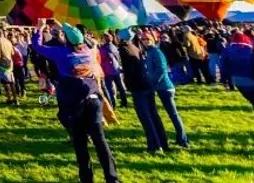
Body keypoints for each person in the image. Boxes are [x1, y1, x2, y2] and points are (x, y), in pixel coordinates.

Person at [31, 21, 120, 183]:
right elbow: (83, 40)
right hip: (93, 100)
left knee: (80, 143)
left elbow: (37, 47)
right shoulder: (89, 51)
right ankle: (112, 178)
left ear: (67, 40)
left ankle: (87, 179)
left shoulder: (62, 53)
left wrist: (40, 28)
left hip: (74, 103)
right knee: (100, 140)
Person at [119, 31, 166, 153]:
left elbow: (129, 71)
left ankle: (154, 146)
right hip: (146, 84)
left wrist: (127, 84)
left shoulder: (124, 49)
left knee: (145, 116)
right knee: (153, 114)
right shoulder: (135, 46)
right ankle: (162, 142)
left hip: (138, 86)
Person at [142, 29, 189, 149]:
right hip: (161, 87)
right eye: (143, 39)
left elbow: (162, 69)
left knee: (173, 114)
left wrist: (153, 82)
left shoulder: (156, 52)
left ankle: (183, 140)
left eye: (147, 39)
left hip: (165, 87)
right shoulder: (150, 52)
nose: (145, 41)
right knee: (172, 114)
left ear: (153, 39)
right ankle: (181, 139)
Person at [99, 34, 128, 109]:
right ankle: (124, 101)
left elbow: (101, 58)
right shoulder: (114, 46)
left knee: (110, 88)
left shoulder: (103, 49)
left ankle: (113, 104)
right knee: (120, 86)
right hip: (116, 68)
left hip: (108, 70)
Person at [0, 28, 18, 105]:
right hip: (10, 62)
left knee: (5, 81)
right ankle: (15, 99)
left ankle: (9, 99)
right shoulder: (8, 41)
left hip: (2, 63)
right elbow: (13, 52)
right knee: (11, 81)